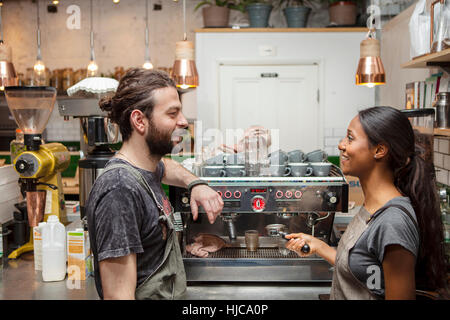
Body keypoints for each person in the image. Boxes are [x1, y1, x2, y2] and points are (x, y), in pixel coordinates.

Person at [85, 68, 224, 300]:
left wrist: (195, 183)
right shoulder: (119, 190)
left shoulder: (147, 169)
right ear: (140, 120)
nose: (183, 122)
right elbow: (118, 297)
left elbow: (166, 167)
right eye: (172, 114)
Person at [285, 106, 447, 300]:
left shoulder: (393, 222)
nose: (341, 145)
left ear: (379, 150)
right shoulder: (373, 207)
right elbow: (366, 270)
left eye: (350, 138)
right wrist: (320, 247)